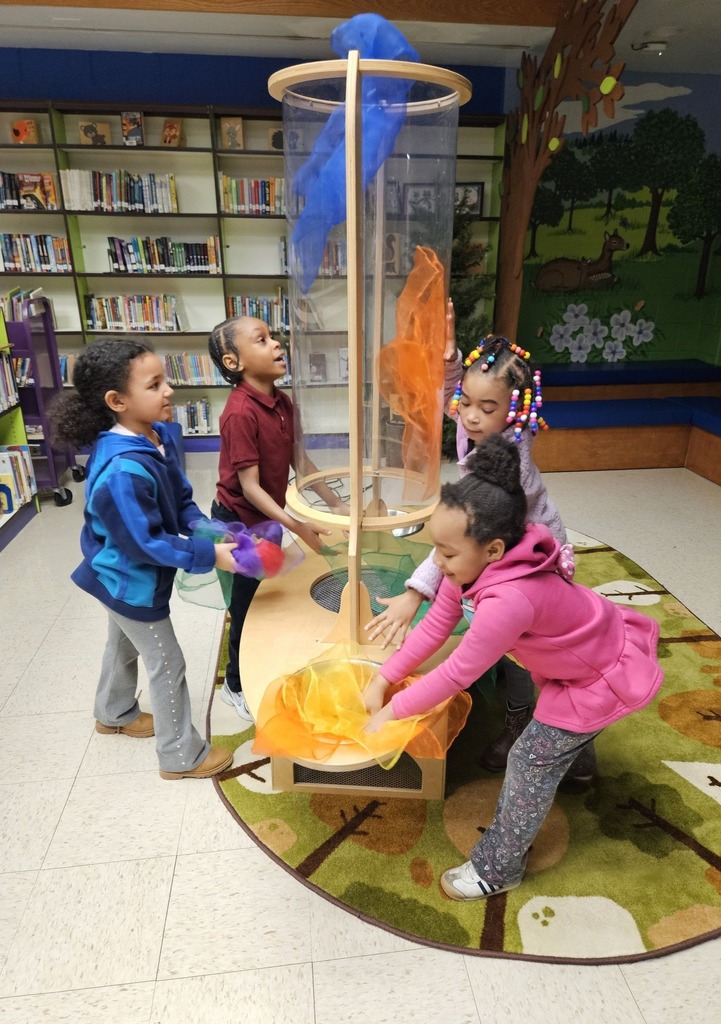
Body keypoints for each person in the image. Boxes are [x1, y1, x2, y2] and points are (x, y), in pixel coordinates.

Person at [363, 435, 662, 901]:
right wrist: (385, 675)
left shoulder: (508, 601)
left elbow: (457, 673)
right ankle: (579, 768)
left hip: (599, 672)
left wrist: (393, 709)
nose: (437, 564)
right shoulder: (467, 565)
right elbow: (436, 625)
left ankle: (498, 868)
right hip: (579, 656)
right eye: (435, 550)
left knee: (529, 760)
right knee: (561, 734)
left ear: (494, 550)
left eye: (447, 553)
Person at [366, 324, 573, 772]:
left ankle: (521, 718)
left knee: (524, 647)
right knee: (471, 617)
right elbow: (452, 398)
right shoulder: (473, 420)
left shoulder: (510, 466)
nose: (470, 416)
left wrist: (415, 591)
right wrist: (449, 359)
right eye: (467, 403)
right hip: (492, 542)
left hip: (528, 556)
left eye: (488, 407)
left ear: (515, 412)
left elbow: (458, 539)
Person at [48, 338, 236, 780]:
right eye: (155, 384)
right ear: (117, 401)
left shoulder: (156, 436)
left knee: (123, 645)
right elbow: (145, 543)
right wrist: (209, 555)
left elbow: (180, 501)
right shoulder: (121, 470)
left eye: (165, 379)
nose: (169, 391)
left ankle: (112, 713)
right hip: (127, 581)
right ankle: (179, 755)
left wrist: (209, 530)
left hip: (122, 578)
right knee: (166, 661)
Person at [208, 315, 348, 721]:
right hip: (239, 523)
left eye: (274, 336)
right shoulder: (238, 414)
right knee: (248, 607)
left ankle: (255, 666)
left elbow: (299, 460)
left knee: (265, 599)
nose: (276, 344)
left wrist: (334, 502)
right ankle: (235, 685)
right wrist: (298, 525)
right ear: (234, 362)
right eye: (262, 340)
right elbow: (250, 488)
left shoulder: (284, 402)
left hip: (266, 519)